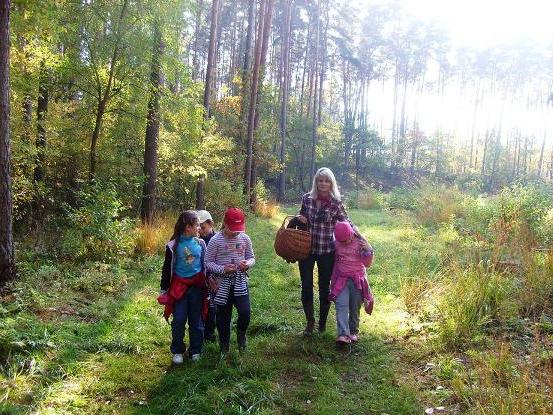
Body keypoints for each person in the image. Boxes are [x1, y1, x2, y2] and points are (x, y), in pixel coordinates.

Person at [296, 167, 362, 335]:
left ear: (331, 183)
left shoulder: (336, 203)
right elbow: (300, 217)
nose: (323, 184)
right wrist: (301, 219)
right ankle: (310, 323)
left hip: (327, 251)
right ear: (316, 182)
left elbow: (347, 223)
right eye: (320, 180)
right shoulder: (307, 199)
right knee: (306, 287)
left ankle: (322, 324)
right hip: (306, 251)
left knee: (325, 288)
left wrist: (362, 239)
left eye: (326, 181)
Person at [158, 210, 207, 364]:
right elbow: (167, 268)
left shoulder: (201, 243)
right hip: (179, 288)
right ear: (187, 227)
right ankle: (178, 350)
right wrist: (164, 288)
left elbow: (205, 265)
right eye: (197, 225)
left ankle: (195, 350)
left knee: (196, 320)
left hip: (197, 288)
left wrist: (209, 282)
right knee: (179, 319)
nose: (199, 228)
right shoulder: (173, 245)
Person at [205, 207, 255, 354]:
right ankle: (224, 345)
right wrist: (223, 269)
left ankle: (241, 336)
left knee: (245, 313)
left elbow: (252, 257)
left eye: (239, 229)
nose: (236, 232)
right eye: (233, 228)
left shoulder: (245, 238)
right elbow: (207, 262)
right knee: (223, 318)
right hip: (222, 286)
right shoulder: (215, 240)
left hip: (240, 283)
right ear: (225, 224)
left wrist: (248, 264)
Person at [329, 221, 374, 344]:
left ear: (352, 234)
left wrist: (368, 251)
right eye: (342, 242)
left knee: (355, 307)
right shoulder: (336, 243)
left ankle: (353, 331)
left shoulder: (360, 242)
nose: (345, 243)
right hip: (341, 280)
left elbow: (367, 264)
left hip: (357, 280)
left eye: (348, 240)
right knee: (341, 305)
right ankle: (343, 334)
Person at [196, 209, 217, 342]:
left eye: (203, 227)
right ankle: (200, 332)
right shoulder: (196, 241)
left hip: (214, 279)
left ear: (211, 224)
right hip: (199, 279)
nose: (200, 231)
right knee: (199, 307)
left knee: (212, 308)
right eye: (198, 228)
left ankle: (210, 333)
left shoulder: (217, 240)